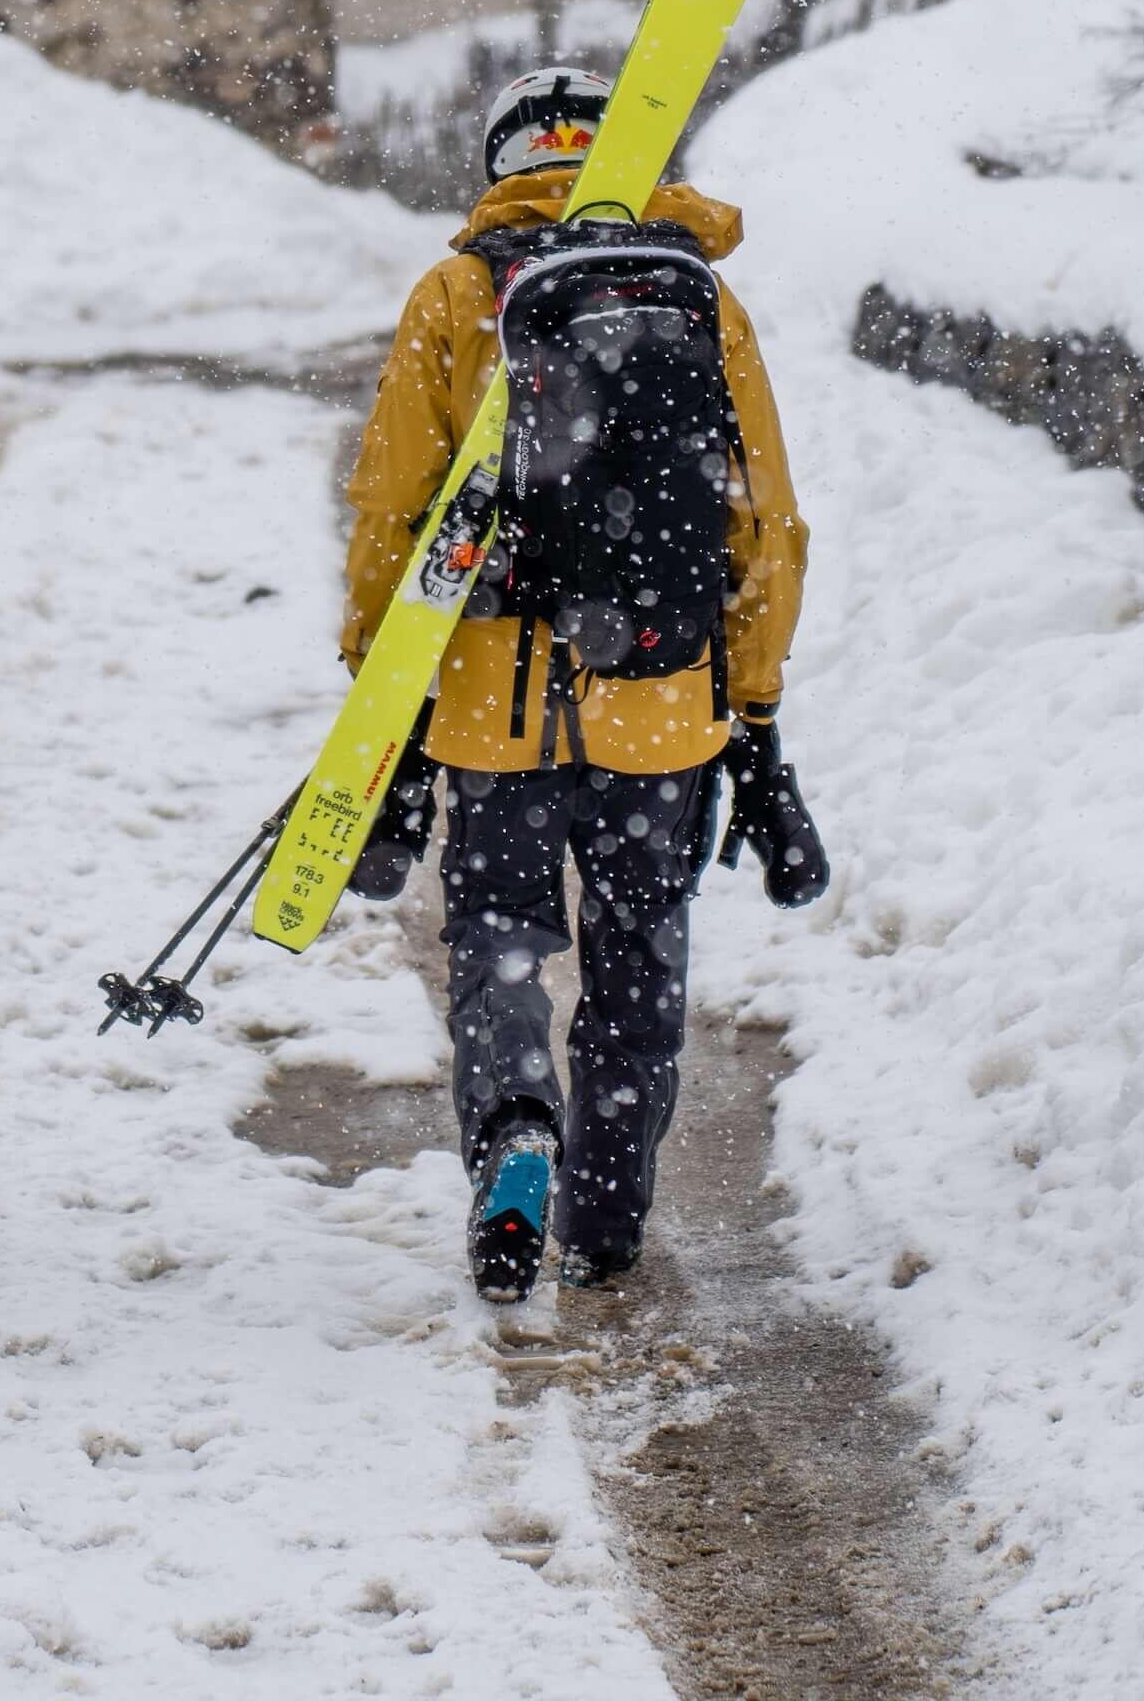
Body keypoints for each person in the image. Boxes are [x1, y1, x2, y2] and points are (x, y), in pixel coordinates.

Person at [337, 65, 818, 1303]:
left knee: (500, 936)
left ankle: (514, 1134)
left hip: (496, 706)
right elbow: (762, 520)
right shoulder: (701, 299)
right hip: (662, 702)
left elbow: (394, 512)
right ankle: (608, 1217)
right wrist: (751, 700)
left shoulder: (457, 293)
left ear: (500, 165)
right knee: (639, 952)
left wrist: (378, 688)